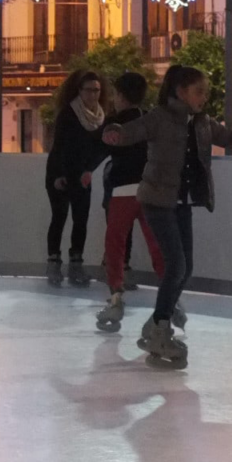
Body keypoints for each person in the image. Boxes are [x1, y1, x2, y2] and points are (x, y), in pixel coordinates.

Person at [102, 64, 216, 367]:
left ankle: (156, 324)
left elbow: (231, 135)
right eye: (199, 91)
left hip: (181, 203)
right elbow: (131, 132)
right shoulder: (159, 118)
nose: (204, 97)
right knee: (175, 264)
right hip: (157, 202)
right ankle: (161, 327)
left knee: (185, 267)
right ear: (181, 92)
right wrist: (114, 133)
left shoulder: (200, 122)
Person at [93, 72, 161, 336]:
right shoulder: (149, 121)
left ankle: (116, 297)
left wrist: (86, 170)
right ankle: (171, 300)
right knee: (157, 243)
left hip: (122, 192)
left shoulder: (113, 125)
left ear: (119, 96)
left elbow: (99, 149)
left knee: (115, 246)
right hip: (148, 190)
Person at [44, 68, 108, 286]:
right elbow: (60, 146)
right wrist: (59, 175)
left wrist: (90, 169)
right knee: (59, 217)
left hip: (82, 175)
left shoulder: (100, 117)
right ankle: (53, 264)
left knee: (81, 220)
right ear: (79, 91)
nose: (93, 95)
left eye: (96, 90)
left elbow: (101, 148)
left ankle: (76, 265)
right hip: (60, 173)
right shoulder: (68, 114)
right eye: (89, 90)